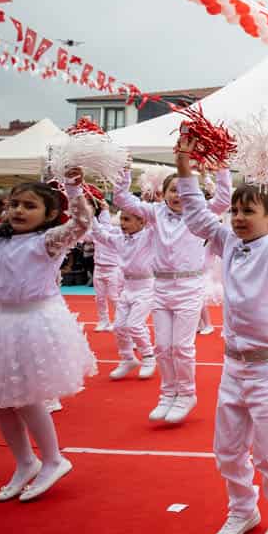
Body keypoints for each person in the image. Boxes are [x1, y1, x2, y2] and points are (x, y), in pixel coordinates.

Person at [176, 139, 268, 534]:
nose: (237, 218)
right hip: (234, 367)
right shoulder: (228, 242)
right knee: (228, 449)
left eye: (248, 211)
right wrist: (183, 165)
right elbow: (198, 216)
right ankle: (242, 510)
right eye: (234, 210)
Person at [0, 148, 96, 504]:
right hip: (4, 322)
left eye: (29, 206)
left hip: (36, 321)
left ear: (49, 215)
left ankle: (53, 459)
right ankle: (24, 462)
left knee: (28, 397)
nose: (18, 210)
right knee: (0, 402)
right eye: (14, 204)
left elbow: (80, 224)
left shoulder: (47, 242)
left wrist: (75, 190)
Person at [113, 164, 231, 424]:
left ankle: (187, 393)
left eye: (182, 190)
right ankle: (167, 394)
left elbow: (224, 198)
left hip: (190, 287)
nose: (178, 195)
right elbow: (121, 198)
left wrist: (221, 167)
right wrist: (122, 170)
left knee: (182, 347)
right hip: (161, 287)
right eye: (172, 190)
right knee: (163, 347)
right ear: (163, 193)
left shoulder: (201, 212)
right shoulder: (155, 213)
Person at [97, 208, 156, 381]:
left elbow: (156, 221)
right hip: (127, 287)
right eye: (122, 219)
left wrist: (152, 201)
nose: (122, 223)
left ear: (142, 222)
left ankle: (148, 357)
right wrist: (90, 214)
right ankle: (128, 359)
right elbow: (100, 235)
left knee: (134, 325)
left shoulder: (148, 236)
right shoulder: (119, 239)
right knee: (119, 327)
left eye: (127, 219)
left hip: (146, 286)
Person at [90, 203, 121, 332]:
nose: (105, 218)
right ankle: (103, 320)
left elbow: (101, 229)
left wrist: (91, 216)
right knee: (100, 297)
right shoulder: (95, 232)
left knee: (114, 297)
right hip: (98, 267)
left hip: (113, 268)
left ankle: (119, 321)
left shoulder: (116, 231)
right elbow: (86, 236)